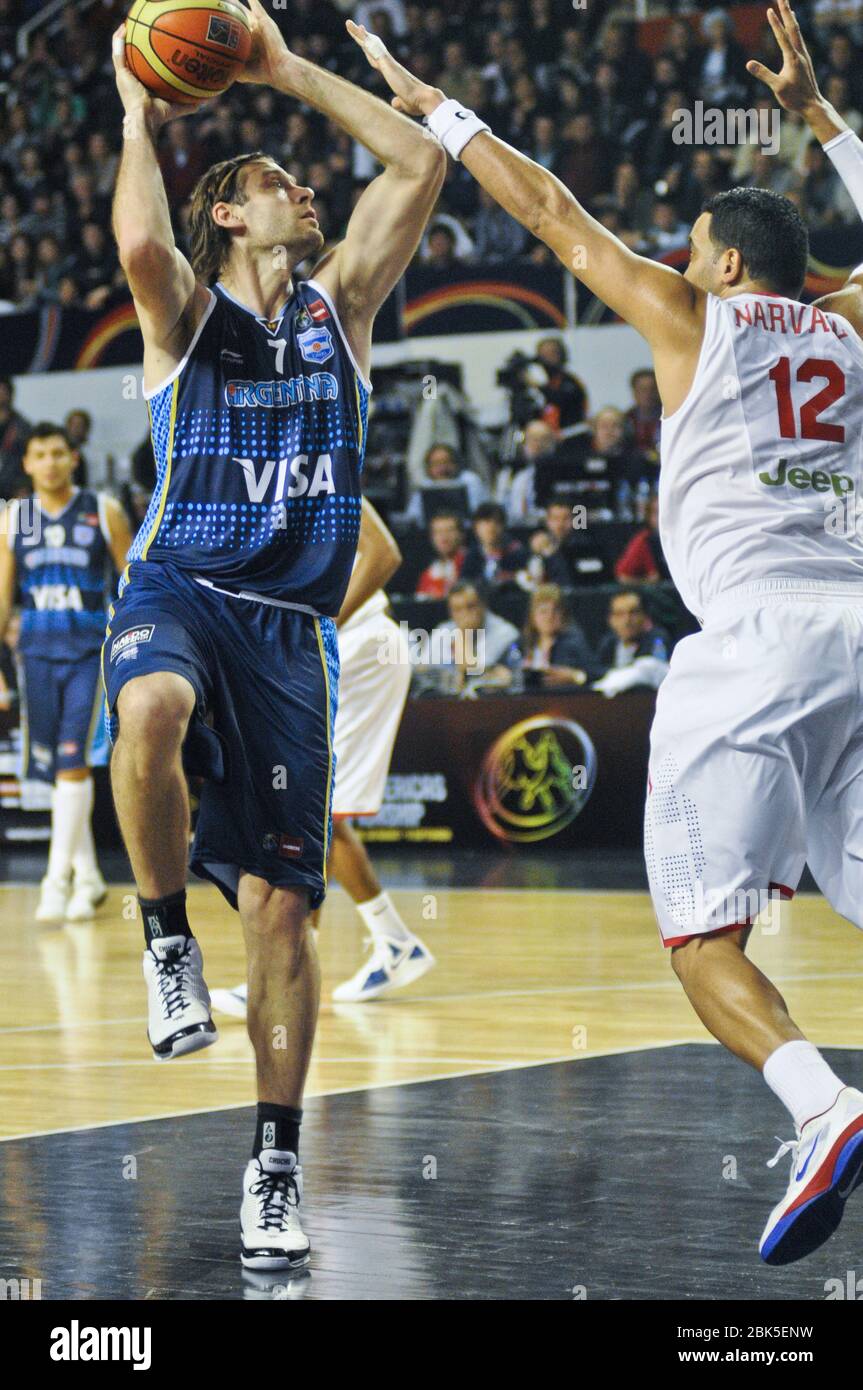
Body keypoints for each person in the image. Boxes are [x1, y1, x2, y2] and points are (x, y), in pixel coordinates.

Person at [353, 1, 863, 1265]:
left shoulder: (697, 319)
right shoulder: (848, 322)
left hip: (751, 640)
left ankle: (824, 1107)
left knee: (699, 938)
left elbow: (550, 215)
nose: (677, 261)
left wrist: (442, 114)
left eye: (690, 248)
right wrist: (822, 120)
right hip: (856, 630)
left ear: (728, 268)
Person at [108, 2, 445, 1273]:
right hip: (182, 586)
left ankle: (273, 1166)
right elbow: (141, 236)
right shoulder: (187, 320)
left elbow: (416, 160)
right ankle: (160, 945)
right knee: (146, 712)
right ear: (228, 220)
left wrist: (283, 69)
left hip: (291, 634)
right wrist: (141, 113)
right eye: (270, 184)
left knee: (285, 916)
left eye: (300, 183)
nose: (303, 187)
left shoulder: (341, 312)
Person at [211, 500, 434, 1013]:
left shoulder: (321, 455)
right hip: (329, 650)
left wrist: (324, 625)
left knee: (313, 811)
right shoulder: (244, 480)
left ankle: (287, 968)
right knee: (308, 808)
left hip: (356, 646)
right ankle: (372, 946)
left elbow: (384, 553)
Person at [0, 423, 132, 921]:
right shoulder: (15, 518)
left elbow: (133, 579)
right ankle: (92, 878)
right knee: (55, 767)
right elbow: (3, 594)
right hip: (34, 652)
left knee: (73, 761)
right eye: (41, 454)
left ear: (74, 459)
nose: (51, 462)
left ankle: (55, 882)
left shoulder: (103, 510)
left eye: (59, 453)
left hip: (88, 652)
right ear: (28, 463)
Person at [422, 579, 519, 694]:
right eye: (457, 609)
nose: (464, 614)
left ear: (483, 605)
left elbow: (472, 670)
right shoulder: (443, 631)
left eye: (470, 607)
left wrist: (463, 633)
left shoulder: (504, 633)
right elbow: (423, 669)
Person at [515, 583, 600, 688]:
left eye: (555, 611)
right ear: (533, 616)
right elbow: (506, 668)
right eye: (543, 611)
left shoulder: (574, 644)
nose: (549, 617)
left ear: (563, 615)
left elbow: (598, 673)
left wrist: (575, 676)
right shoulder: (522, 643)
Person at [461, 501, 527, 588]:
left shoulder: (518, 555)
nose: (491, 527)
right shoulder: (471, 557)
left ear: (504, 527)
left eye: (497, 522)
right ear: (476, 527)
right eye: (486, 522)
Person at [614, 494, 668, 584]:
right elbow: (623, 576)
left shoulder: (684, 538)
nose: (662, 518)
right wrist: (648, 581)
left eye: (666, 512)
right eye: (657, 513)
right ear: (649, 516)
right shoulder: (644, 541)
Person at [415, 508, 466, 598]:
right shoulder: (428, 574)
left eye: (449, 530)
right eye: (438, 532)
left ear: (461, 534)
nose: (444, 537)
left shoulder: (471, 565)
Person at [0, 377, 29, 501]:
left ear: (10, 394)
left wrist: (25, 485)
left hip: (15, 488)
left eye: (2, 391)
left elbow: (28, 458)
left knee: (27, 518)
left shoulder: (22, 427)